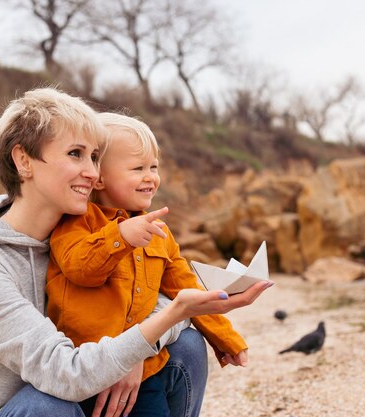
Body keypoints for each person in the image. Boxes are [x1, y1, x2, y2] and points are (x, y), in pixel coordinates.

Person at [0, 87, 273, 417]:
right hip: (39, 404)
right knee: (47, 405)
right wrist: (129, 351)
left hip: (88, 395)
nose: (92, 172)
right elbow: (65, 375)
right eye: (76, 154)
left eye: (95, 157)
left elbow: (153, 295)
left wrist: (135, 347)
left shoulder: (94, 234)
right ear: (23, 160)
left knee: (185, 347)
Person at [46, 113, 250, 417]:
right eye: (137, 168)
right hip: (88, 369)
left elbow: (186, 288)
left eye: (153, 167)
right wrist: (120, 237)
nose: (150, 177)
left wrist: (226, 337)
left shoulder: (160, 232)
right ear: (99, 177)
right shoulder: (77, 221)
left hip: (144, 370)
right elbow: (80, 269)